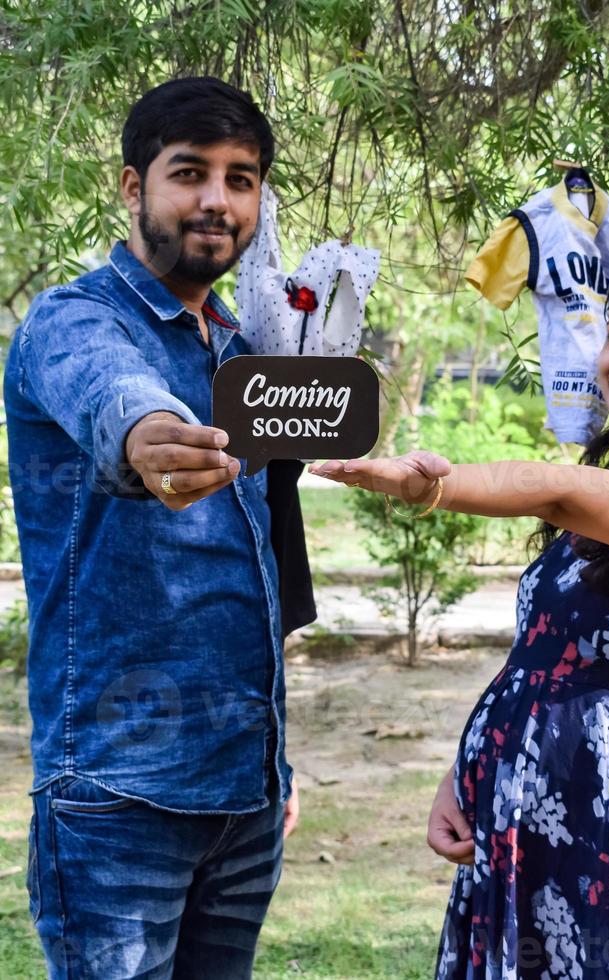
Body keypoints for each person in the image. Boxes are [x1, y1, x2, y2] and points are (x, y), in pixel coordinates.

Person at [310, 249, 609, 979]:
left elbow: (554, 491)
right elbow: (543, 654)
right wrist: (463, 771)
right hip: (526, 814)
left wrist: (423, 486)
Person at [5, 77, 310, 979]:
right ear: (134, 187)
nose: (218, 199)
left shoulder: (244, 350)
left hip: (244, 795)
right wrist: (150, 437)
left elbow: (260, 549)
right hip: (116, 797)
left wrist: (270, 769)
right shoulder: (74, 320)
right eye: (191, 173)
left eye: (242, 178)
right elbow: (114, 394)